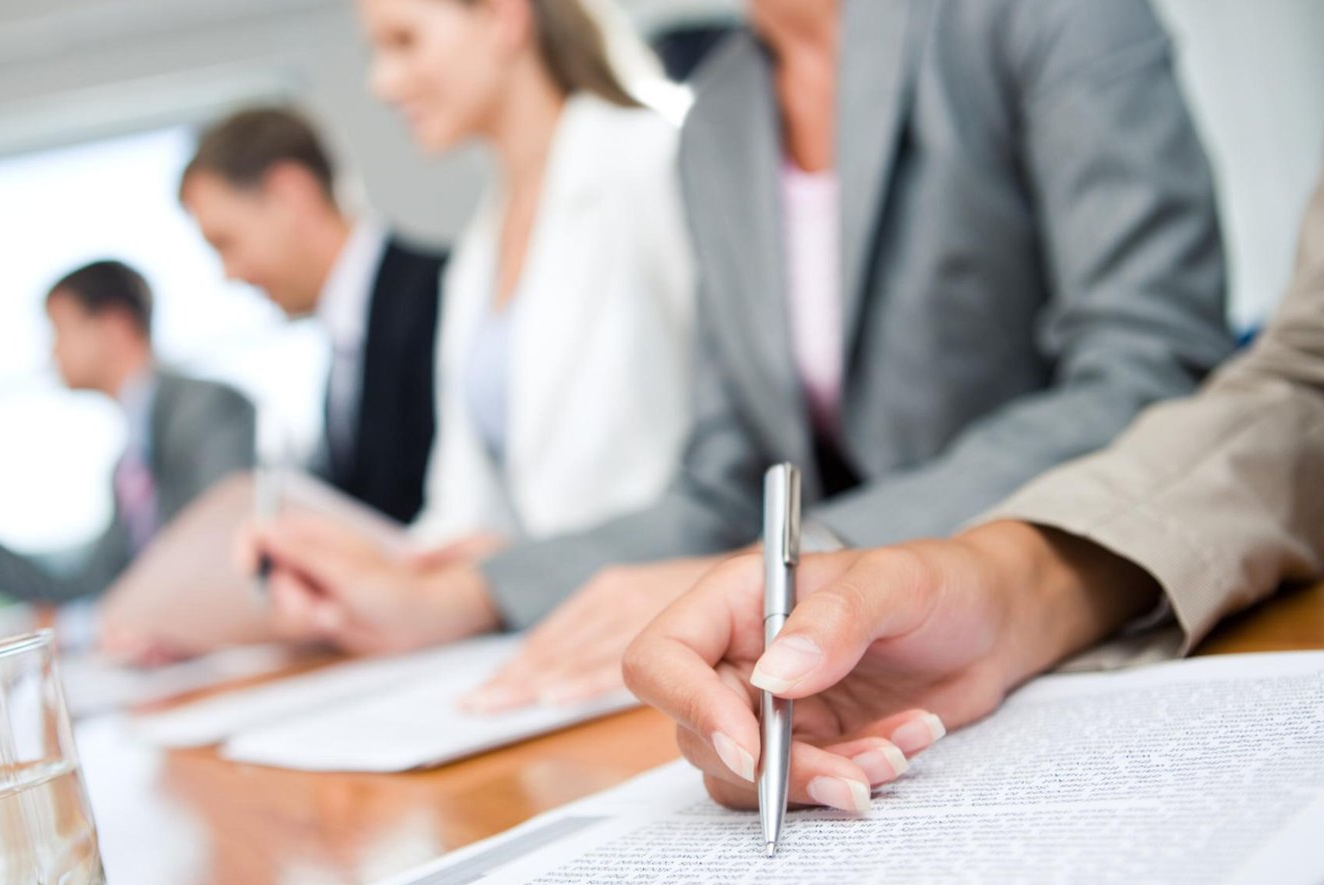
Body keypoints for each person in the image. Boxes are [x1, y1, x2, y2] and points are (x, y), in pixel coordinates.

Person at [252, 0, 1236, 689]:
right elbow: (722, 480)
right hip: (856, 668)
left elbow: (1147, 365)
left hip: (1107, 623)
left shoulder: (1032, 16)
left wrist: (805, 561)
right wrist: (467, 592)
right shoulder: (716, 119)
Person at [621, 163, 1324, 811]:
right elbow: (1303, 388)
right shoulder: (718, 119)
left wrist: (852, 543)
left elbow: (1144, 359)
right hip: (946, 607)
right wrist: (1003, 587)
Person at [247, 0, 698, 652]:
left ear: (503, 19)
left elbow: (733, 467)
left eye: (405, 41)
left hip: (669, 619)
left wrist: (510, 568)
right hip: (550, 632)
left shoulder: (654, 161)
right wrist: (331, 562)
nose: (382, 82)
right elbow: (464, 513)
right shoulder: (478, 250)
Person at [0, 260, 257, 602]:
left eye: (59, 330)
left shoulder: (207, 407)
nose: (51, 352)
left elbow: (220, 552)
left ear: (114, 327)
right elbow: (87, 587)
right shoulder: (128, 467)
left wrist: (90, 625)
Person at [181, 106, 445, 524]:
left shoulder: (440, 294)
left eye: (226, 242)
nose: (229, 274)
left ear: (291, 195)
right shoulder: (344, 344)